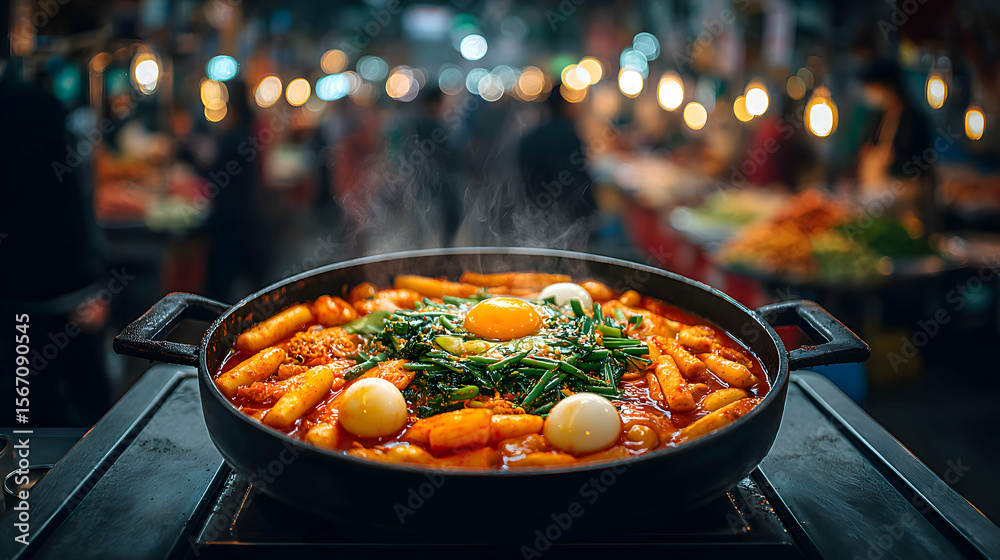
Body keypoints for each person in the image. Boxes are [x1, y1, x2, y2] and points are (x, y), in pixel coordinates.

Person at [855, 59, 936, 234]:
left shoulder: (914, 119)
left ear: (888, 86)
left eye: (873, 87)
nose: (870, 93)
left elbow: (922, 168)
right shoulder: (877, 117)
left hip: (906, 197)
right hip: (877, 190)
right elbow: (866, 150)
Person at [517, 87, 598, 250]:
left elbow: (523, 176)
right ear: (564, 106)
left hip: (536, 209)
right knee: (572, 260)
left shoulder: (530, 137)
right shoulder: (571, 135)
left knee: (540, 254)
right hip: (569, 213)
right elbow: (580, 177)